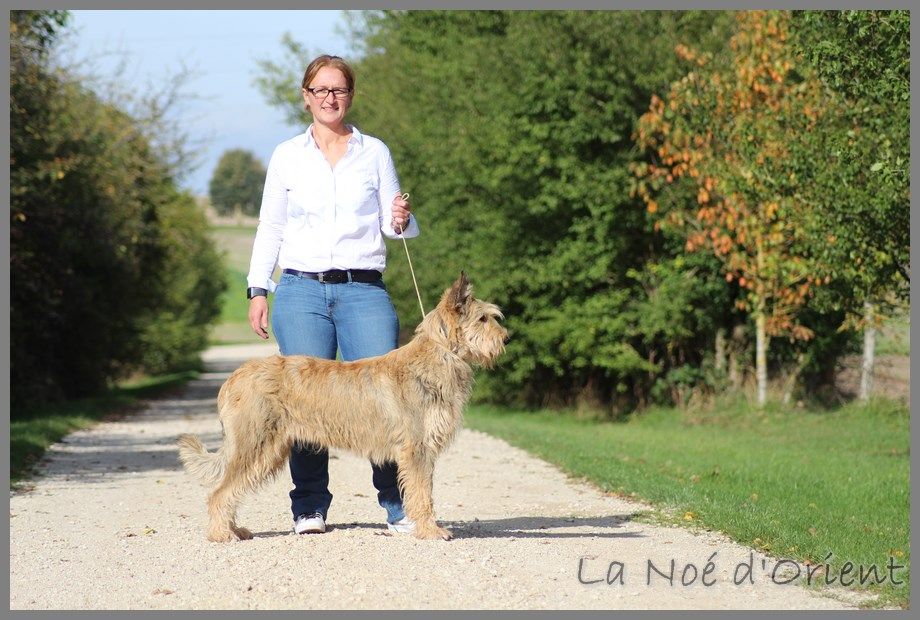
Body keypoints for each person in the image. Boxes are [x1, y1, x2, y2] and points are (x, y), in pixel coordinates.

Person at [245, 54, 419, 535]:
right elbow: (271, 226)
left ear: (350, 95)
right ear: (306, 97)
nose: (329, 98)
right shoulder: (286, 155)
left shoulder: (374, 151)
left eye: (338, 90)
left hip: (363, 289)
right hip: (301, 289)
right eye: (320, 90)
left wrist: (403, 217)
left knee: (387, 400)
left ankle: (397, 504)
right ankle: (309, 506)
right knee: (304, 402)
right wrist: (258, 288)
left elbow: (395, 223)